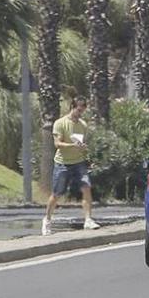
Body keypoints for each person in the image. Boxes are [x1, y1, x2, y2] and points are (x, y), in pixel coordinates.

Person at [41, 97, 100, 236]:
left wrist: (84, 150)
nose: (80, 114)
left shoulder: (83, 125)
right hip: (62, 163)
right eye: (78, 110)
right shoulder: (60, 123)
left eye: (82, 111)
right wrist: (73, 145)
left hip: (78, 162)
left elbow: (82, 144)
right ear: (72, 107)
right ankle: (47, 220)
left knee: (86, 187)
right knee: (57, 194)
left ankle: (88, 220)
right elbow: (58, 144)